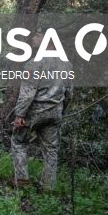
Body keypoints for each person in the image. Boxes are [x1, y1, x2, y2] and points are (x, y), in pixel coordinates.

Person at [11, 29, 74, 191]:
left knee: (18, 142)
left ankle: (22, 181)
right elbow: (69, 94)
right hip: (55, 113)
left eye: (38, 35)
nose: (33, 38)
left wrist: (19, 115)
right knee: (51, 150)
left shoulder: (34, 63)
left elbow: (27, 93)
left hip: (34, 113)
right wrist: (61, 111)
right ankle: (47, 187)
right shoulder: (66, 64)